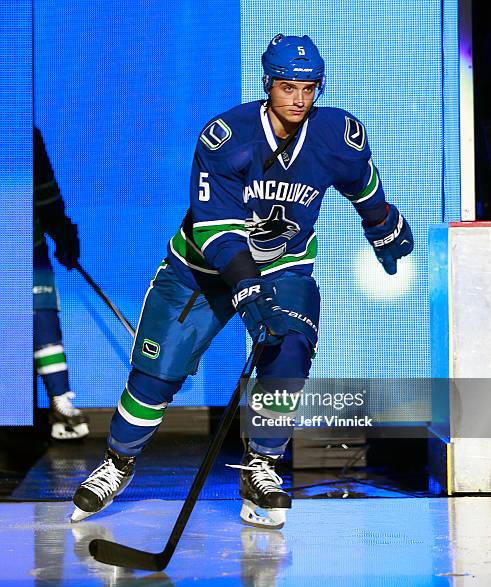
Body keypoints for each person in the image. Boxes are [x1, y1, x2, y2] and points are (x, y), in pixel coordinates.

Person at [71, 34, 413, 526]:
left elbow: (361, 182)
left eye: (309, 87)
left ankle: (261, 467)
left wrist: (382, 225)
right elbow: (218, 235)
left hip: (283, 266)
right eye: (288, 86)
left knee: (289, 348)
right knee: (155, 377)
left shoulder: (337, 133)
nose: (299, 98)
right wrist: (249, 296)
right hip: (203, 271)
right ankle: (118, 463)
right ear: (267, 83)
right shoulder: (227, 137)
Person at [34, 127, 89, 440]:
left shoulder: (20, 132)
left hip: (23, 247)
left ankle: (60, 402)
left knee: (41, 316)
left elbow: (45, 192)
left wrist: (63, 233)